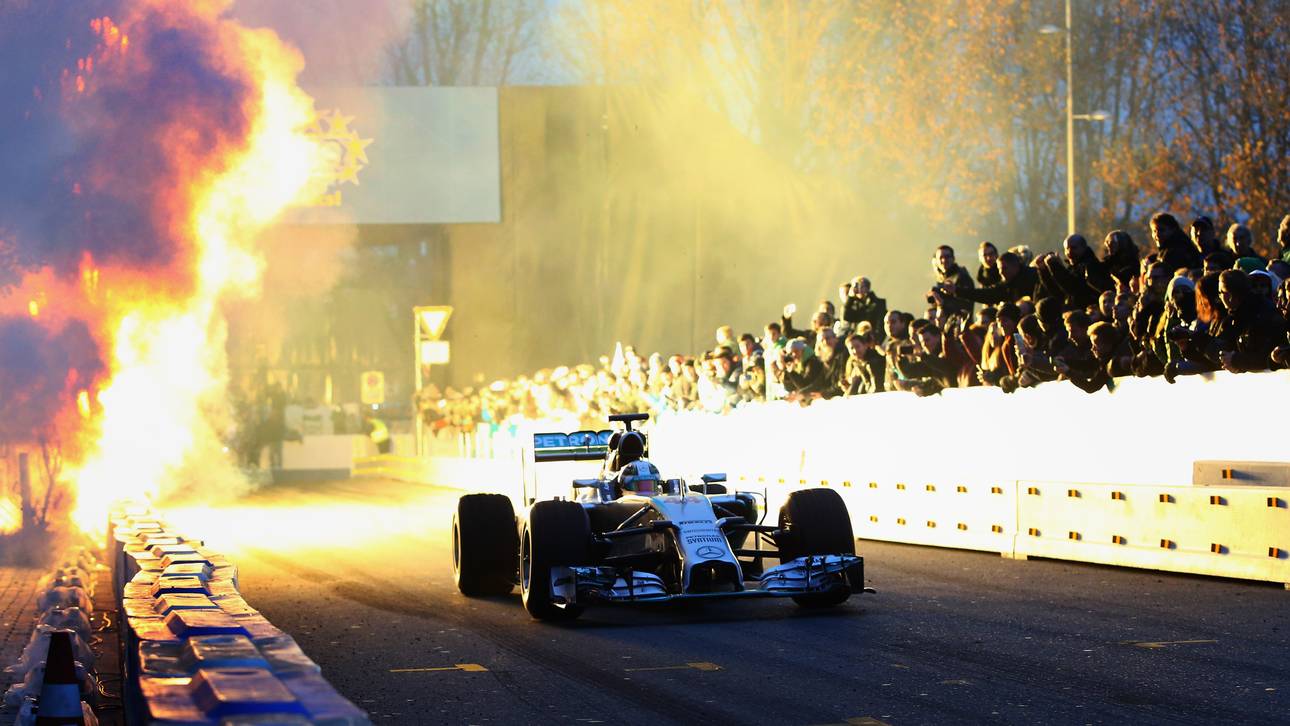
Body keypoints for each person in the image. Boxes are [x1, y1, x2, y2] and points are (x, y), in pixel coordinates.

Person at [938, 251, 1039, 307]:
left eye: (1004, 268)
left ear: (1016, 266)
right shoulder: (1006, 285)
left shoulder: (1033, 276)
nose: (1001, 272)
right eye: (999, 269)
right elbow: (986, 294)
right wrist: (957, 290)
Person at [930, 245, 975, 318]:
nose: (944, 260)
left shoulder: (962, 277)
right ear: (936, 260)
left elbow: (965, 305)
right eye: (941, 257)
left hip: (960, 323)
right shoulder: (942, 278)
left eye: (947, 257)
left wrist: (942, 302)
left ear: (953, 258)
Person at [840, 277, 887, 342]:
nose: (858, 289)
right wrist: (850, 297)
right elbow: (846, 316)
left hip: (873, 340)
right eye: (855, 287)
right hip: (858, 340)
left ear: (867, 288)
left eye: (861, 286)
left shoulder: (878, 303)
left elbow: (880, 325)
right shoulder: (854, 305)